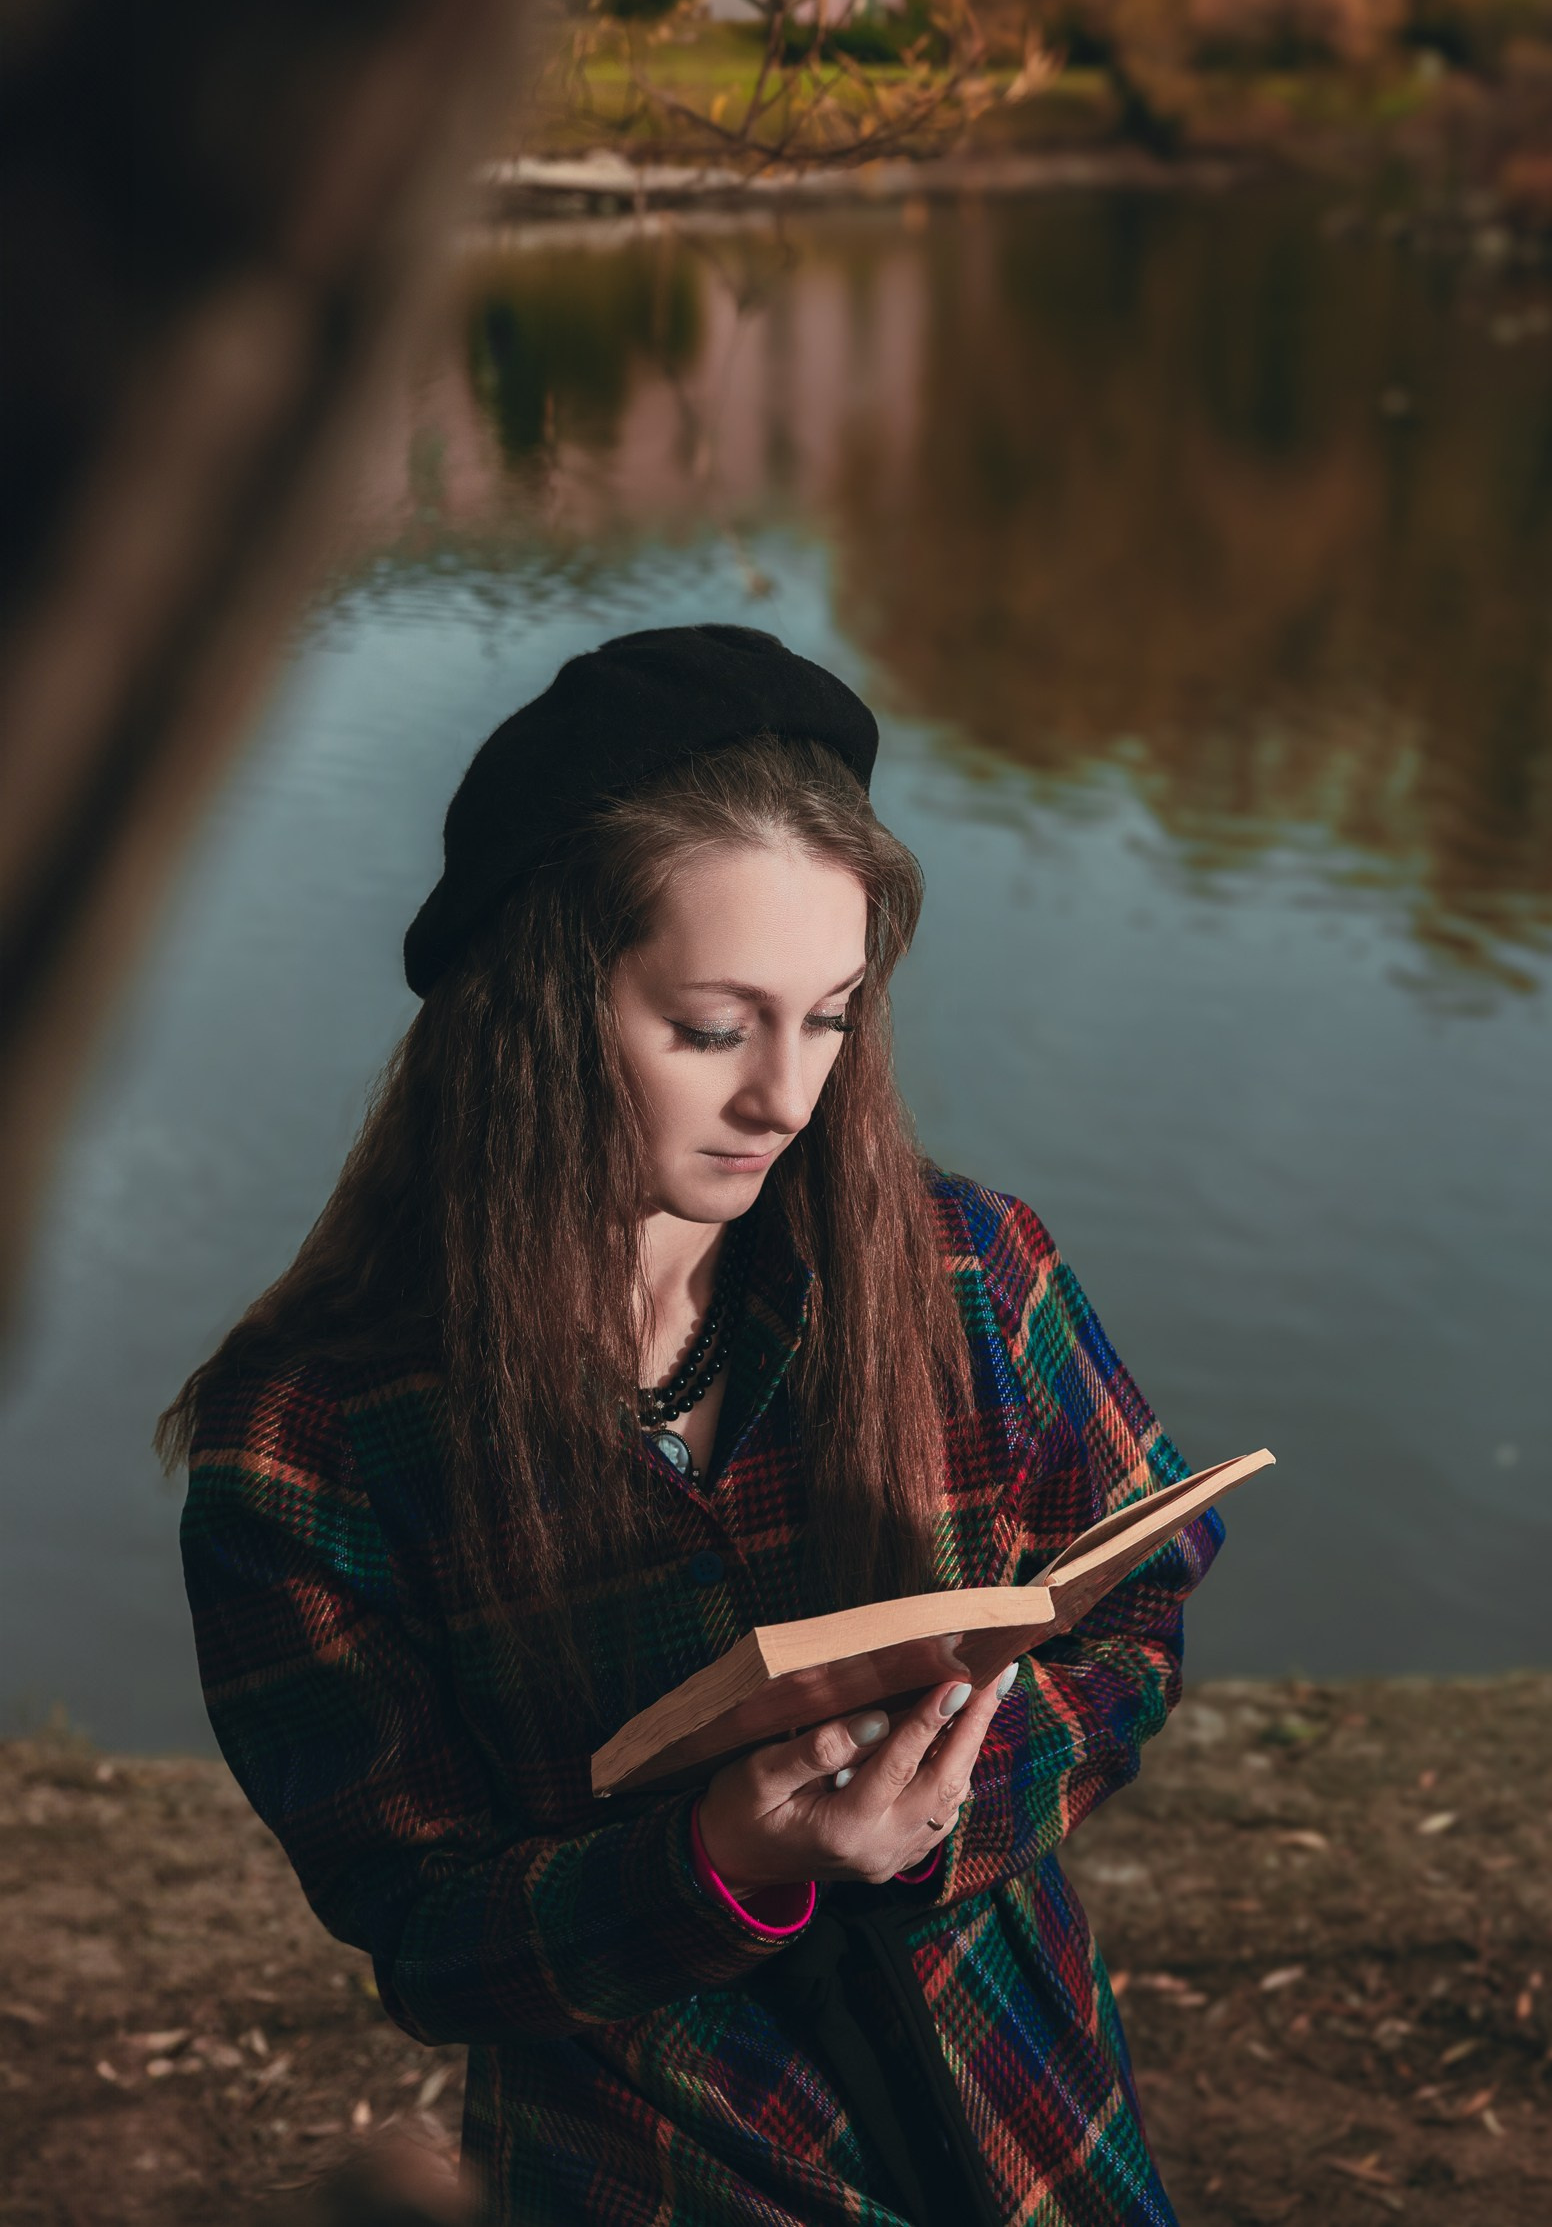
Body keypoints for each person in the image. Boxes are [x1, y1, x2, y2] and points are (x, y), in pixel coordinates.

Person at [159, 624, 1226, 2226]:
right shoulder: (306, 1450)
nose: (786, 1097)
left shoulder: (970, 1269)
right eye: (716, 1028)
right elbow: (423, 1935)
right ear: (533, 1008)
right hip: (653, 2167)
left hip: (1030, 2123)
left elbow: (1139, 1618)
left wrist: (949, 1795)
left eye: (833, 1015)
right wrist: (720, 1862)